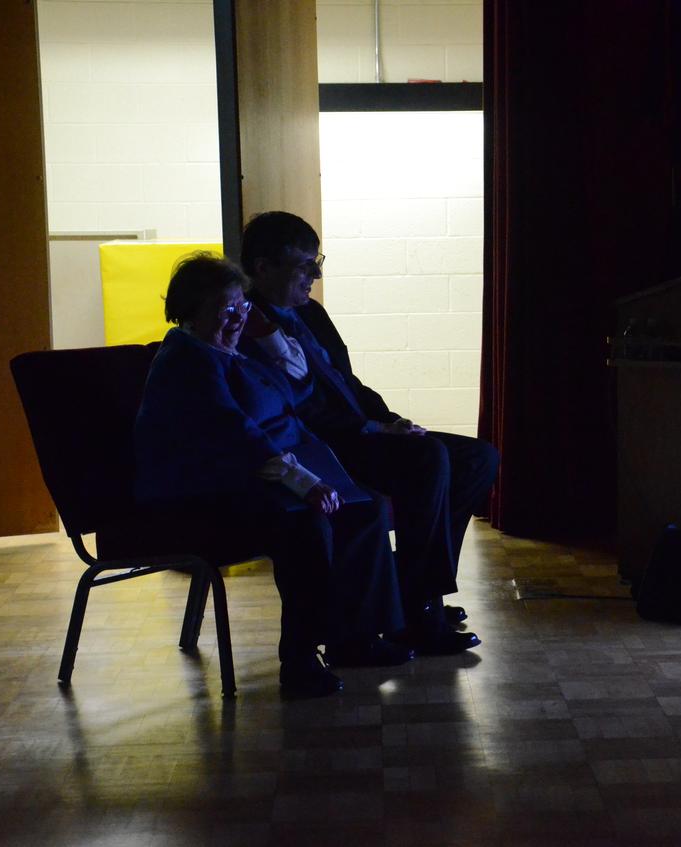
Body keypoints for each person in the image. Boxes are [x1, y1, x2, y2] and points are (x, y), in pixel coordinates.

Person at [133, 254, 412, 698]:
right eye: (225, 311)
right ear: (191, 313)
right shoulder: (187, 359)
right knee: (305, 523)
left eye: (242, 307)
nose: (236, 319)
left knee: (366, 506)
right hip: (206, 489)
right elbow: (235, 433)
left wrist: (265, 334)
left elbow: (295, 391)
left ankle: (353, 637)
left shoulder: (234, 352)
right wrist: (306, 482)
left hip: (265, 474)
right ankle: (299, 657)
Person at [236, 211, 496, 654]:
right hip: (326, 447)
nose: (314, 276)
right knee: (428, 459)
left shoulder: (310, 314)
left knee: (478, 457)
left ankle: (413, 591)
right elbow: (296, 408)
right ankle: (419, 607)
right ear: (263, 268)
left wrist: (389, 420)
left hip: (361, 430)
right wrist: (369, 427)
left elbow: (347, 383)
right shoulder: (244, 326)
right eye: (303, 266)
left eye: (317, 261)